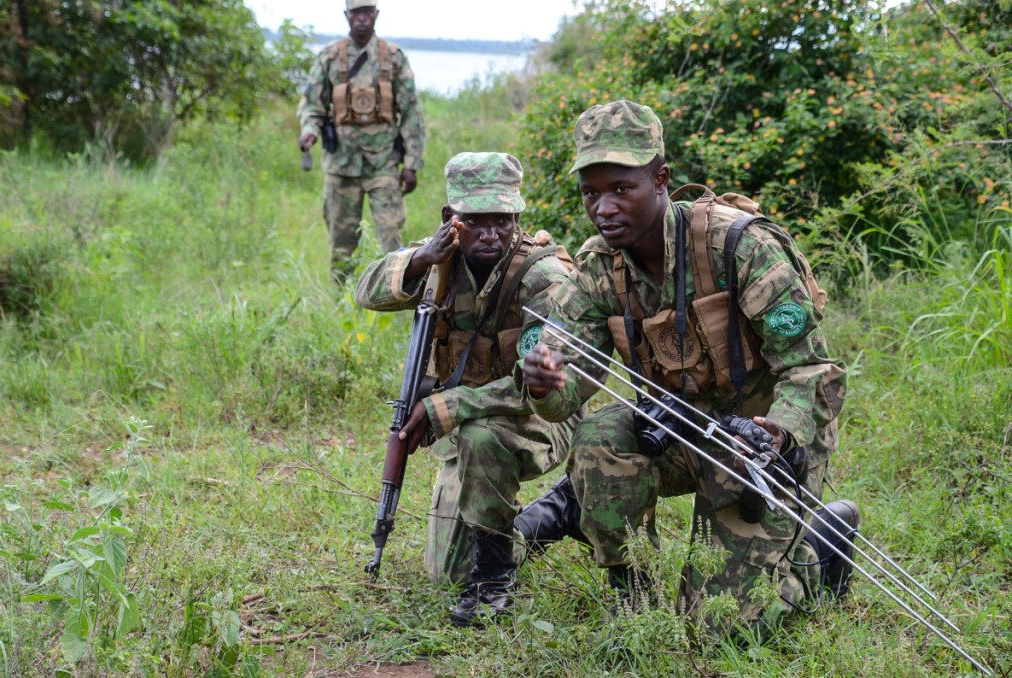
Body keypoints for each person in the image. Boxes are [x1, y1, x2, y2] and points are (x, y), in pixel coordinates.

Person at [518, 100, 858, 639]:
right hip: (679, 432)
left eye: (621, 189)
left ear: (660, 179)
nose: (603, 207)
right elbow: (567, 390)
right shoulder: (597, 271)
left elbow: (814, 371)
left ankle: (819, 549)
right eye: (591, 193)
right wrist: (544, 385)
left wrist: (779, 432)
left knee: (719, 632)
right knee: (597, 436)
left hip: (760, 445)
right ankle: (631, 592)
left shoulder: (740, 246)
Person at [355, 152, 581, 627]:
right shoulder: (441, 262)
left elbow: (540, 382)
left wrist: (447, 405)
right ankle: (551, 516)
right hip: (469, 423)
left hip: (542, 416)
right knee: (448, 574)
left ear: (517, 217)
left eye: (502, 220)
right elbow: (365, 291)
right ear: (450, 220)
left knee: (482, 439)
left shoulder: (544, 277)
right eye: (475, 221)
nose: (490, 233)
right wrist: (421, 258)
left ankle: (527, 545)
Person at [297, 0, 426, 280]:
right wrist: (309, 130)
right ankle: (343, 300)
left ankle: (396, 292)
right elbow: (312, 104)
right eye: (356, 13)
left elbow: (412, 112)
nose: (362, 19)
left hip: (383, 163)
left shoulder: (393, 57)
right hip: (341, 166)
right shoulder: (330, 57)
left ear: (376, 15)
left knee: (391, 236)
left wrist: (412, 163)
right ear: (347, 16)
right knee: (342, 240)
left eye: (368, 12)